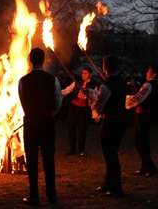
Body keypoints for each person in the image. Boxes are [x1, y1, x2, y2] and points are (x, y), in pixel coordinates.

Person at [18, 48, 62, 205]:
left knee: (31, 161)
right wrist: (50, 113)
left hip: (31, 123)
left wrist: (31, 113)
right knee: (49, 159)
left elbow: (22, 101)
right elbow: (58, 101)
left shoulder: (23, 81)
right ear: (43, 60)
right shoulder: (53, 79)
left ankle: (34, 195)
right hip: (47, 123)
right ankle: (51, 194)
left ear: (30, 60)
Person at [89, 56, 126, 197]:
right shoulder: (121, 82)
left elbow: (99, 106)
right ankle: (108, 183)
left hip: (110, 123)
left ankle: (115, 187)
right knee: (112, 153)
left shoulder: (107, 85)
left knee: (110, 155)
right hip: (120, 122)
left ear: (105, 67)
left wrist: (92, 100)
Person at [126, 66, 158, 177]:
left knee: (141, 141)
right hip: (144, 115)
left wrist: (127, 100)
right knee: (140, 141)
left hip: (143, 115)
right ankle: (145, 166)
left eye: (149, 71)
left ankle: (150, 167)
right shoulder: (155, 84)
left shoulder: (149, 84)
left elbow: (139, 98)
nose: (146, 73)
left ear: (154, 74)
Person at [62, 67, 96, 156]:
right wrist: (58, 92)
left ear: (90, 74)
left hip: (84, 110)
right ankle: (72, 149)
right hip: (73, 108)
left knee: (82, 129)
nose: (83, 75)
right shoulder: (77, 82)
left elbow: (95, 97)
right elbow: (67, 90)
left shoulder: (93, 85)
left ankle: (81, 150)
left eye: (85, 73)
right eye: (82, 73)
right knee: (71, 129)